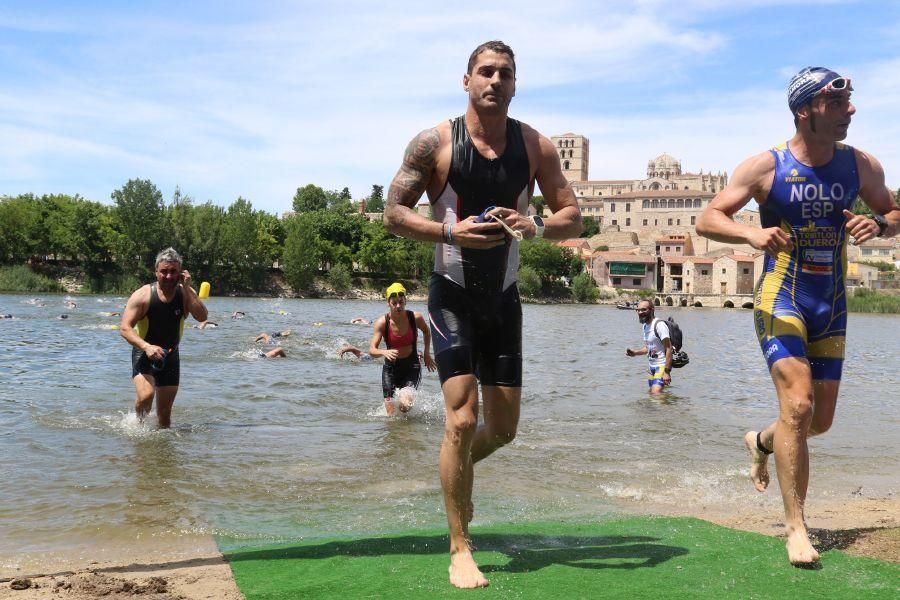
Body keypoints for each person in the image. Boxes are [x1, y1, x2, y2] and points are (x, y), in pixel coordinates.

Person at [383, 41, 582, 588]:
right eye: (485, 72)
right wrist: (450, 230)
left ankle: (454, 472)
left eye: (506, 74)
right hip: (451, 295)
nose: (495, 81)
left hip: (505, 299)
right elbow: (392, 214)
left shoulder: (536, 146)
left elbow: (574, 217)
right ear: (466, 80)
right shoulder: (434, 143)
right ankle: (459, 545)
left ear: (515, 85)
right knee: (462, 419)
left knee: (504, 430)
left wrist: (535, 226)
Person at [696, 67, 900, 566]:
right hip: (780, 298)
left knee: (817, 421)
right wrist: (750, 234)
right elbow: (708, 217)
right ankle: (796, 527)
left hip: (831, 304)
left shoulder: (861, 166)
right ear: (805, 110)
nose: (850, 110)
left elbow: (896, 216)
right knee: (800, 404)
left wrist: (878, 223)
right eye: (838, 103)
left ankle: (761, 441)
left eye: (851, 102)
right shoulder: (767, 166)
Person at [119, 248, 208, 428]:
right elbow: (125, 328)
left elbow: (202, 317)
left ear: (181, 273)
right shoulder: (142, 295)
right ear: (156, 272)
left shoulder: (185, 294)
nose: (168, 276)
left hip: (171, 356)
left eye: (173, 272)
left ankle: (163, 453)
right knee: (146, 396)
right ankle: (137, 426)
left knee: (165, 417)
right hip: (144, 353)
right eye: (164, 271)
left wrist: (189, 289)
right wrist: (147, 347)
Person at [368, 283, 436, 415]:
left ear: (405, 301)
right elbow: (372, 350)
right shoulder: (382, 322)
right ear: (388, 303)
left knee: (405, 406)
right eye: (394, 303)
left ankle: (409, 431)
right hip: (390, 370)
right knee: (390, 414)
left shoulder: (415, 318)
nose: (398, 306)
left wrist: (427, 353)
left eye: (401, 302)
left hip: (411, 367)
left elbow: (427, 332)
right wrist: (384, 351)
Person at [625, 300, 673, 394]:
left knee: (655, 394)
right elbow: (649, 348)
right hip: (651, 367)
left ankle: (669, 408)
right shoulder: (645, 326)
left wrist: (666, 372)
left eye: (643, 310)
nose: (640, 312)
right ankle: (667, 408)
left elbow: (669, 348)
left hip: (661, 366)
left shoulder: (659, 325)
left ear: (652, 310)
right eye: (638, 310)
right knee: (652, 394)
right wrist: (635, 353)